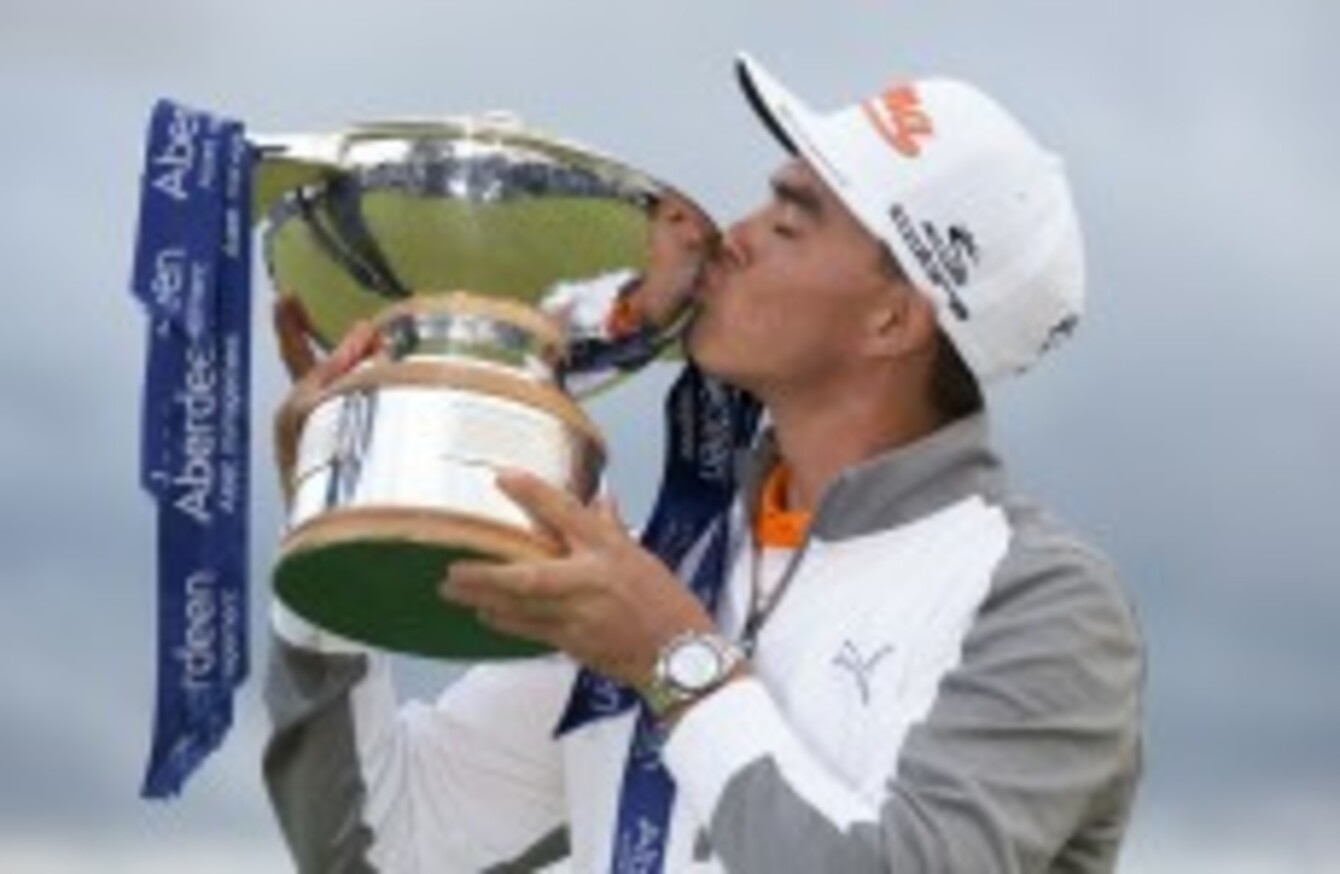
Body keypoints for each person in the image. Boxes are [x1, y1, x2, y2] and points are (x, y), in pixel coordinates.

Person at [264, 53, 1143, 873]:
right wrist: (333, 508)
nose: (735, 236)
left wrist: (674, 661)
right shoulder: (665, 567)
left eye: (790, 223)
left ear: (894, 321)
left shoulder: (1042, 600)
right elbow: (379, 845)